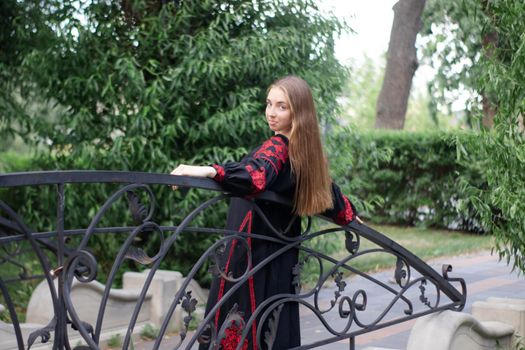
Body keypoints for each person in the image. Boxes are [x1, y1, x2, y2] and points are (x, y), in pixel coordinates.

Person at [171, 76, 360, 350]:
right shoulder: (306, 155)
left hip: (250, 253)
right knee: (270, 324)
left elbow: (256, 175)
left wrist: (208, 170)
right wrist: (349, 215)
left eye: (281, 106)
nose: (271, 112)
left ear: (299, 112)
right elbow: (331, 196)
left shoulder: (280, 146)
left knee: (239, 322)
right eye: (269, 104)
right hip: (277, 257)